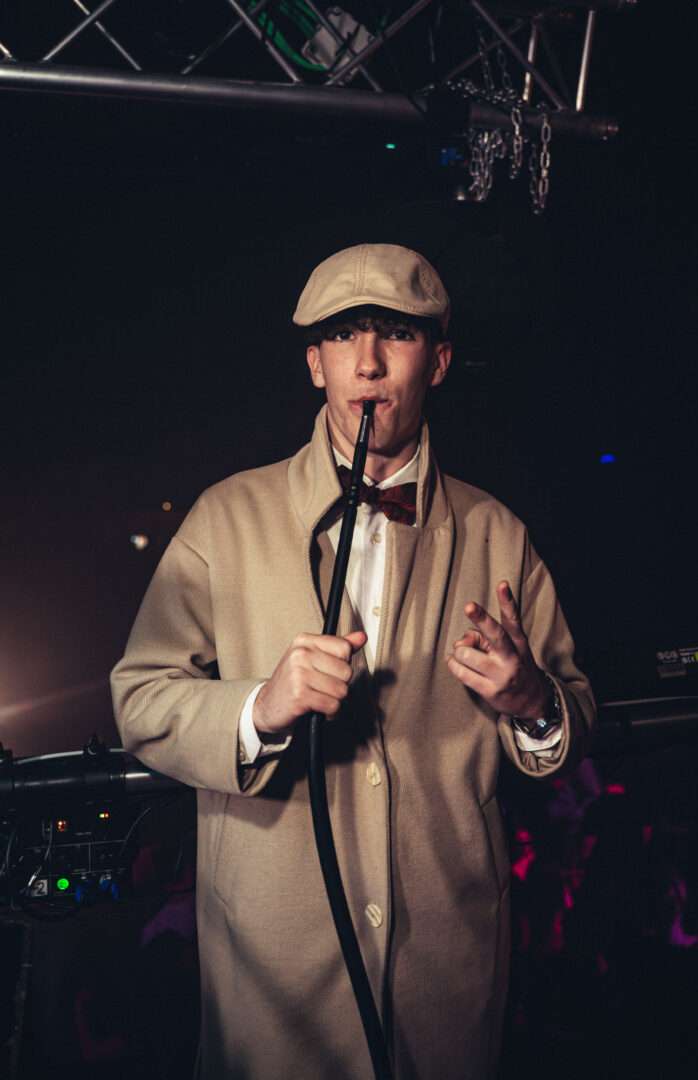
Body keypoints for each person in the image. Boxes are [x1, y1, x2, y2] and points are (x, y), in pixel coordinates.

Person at [111, 243, 595, 1080]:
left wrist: (533, 702)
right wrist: (259, 707)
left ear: (438, 361)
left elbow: (573, 720)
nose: (367, 363)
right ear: (315, 364)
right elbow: (141, 699)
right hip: (273, 989)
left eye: (396, 334)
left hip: (445, 983)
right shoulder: (225, 517)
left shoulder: (498, 534)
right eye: (342, 336)